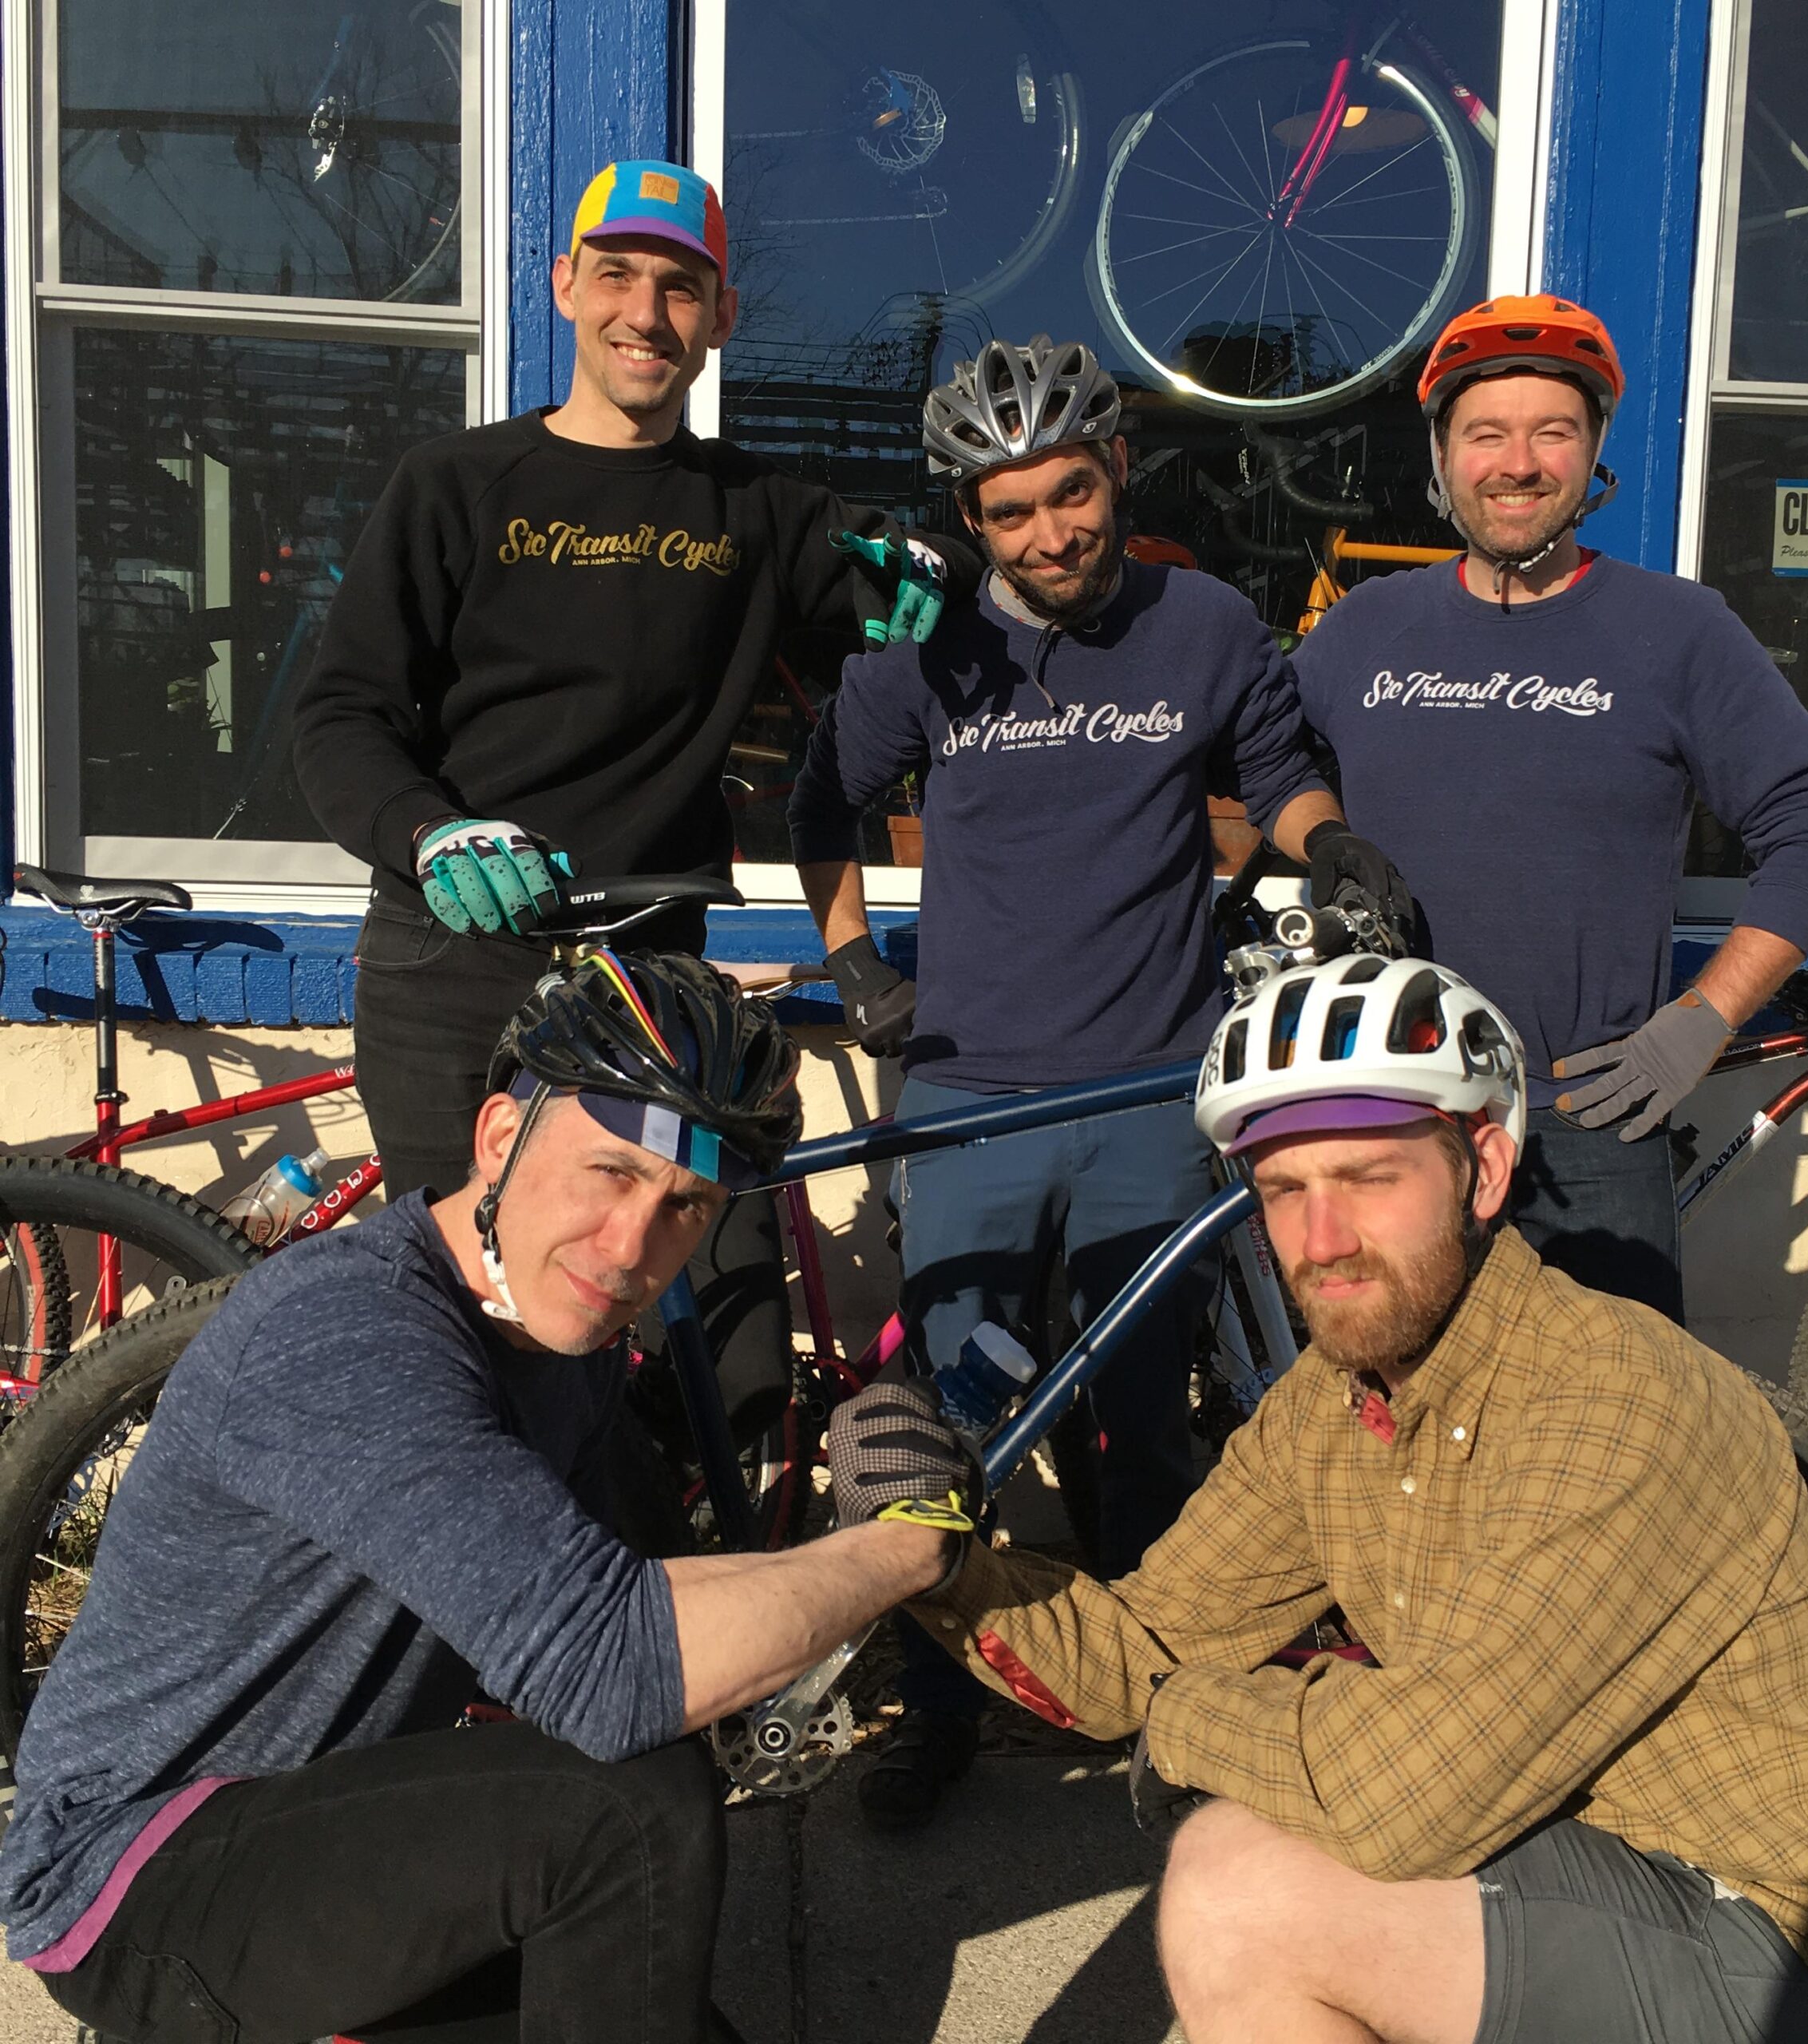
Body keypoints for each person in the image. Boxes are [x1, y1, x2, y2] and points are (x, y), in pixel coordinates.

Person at [829, 949, 1808, 2044]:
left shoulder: (1615, 1396)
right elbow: (1140, 1643)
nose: (1322, 1244)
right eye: (1283, 1191)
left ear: (1487, 1170)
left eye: (1370, 1178)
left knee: (1244, 1890)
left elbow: (1409, 1794)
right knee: (1270, 1836)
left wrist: (1184, 1719)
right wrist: (937, 1559)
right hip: (1572, 1848)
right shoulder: (1331, 1404)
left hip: (1784, 1941)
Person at [0, 952, 971, 2044]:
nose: (630, 1250)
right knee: (628, 1807)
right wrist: (905, 1542)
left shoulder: (562, 1330)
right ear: (501, 1139)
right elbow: (615, 1672)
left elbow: (640, 1574)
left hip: (331, 1823)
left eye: (684, 1206)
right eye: (609, 1172)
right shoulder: (351, 1335)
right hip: (138, 1879)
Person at [786, 332, 1406, 1832]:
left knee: (1144, 1429)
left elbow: (1271, 764)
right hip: (973, 1093)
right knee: (952, 1424)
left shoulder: (1199, 621)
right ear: (968, 516)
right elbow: (821, 802)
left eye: (1072, 493)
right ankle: (931, 1704)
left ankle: (1163, 1710)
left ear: (1116, 470)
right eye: (1011, 510)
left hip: (1150, 1092)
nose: (1052, 533)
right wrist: (859, 960)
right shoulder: (925, 646)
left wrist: (1325, 848)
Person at [292, 158, 978, 1444]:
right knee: (483, 1337)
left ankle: (673, 1608)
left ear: (721, 318)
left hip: (649, 982)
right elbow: (337, 721)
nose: (644, 314)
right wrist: (429, 831)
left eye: (681, 287)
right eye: (617, 276)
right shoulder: (455, 486)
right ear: (564, 286)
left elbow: (909, 607)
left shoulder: (759, 512)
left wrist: (930, 577)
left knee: (730, 1352)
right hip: (453, 971)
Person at [1291, 295, 1808, 1321]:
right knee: (1387, 1444)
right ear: (1440, 454)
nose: (1517, 462)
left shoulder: (1677, 631)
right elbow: (1254, 761)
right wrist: (1319, 835)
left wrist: (1702, 1018)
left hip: (1586, 1118)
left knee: (1610, 1452)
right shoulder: (1364, 631)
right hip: (1383, 1113)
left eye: (1551, 432)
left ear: (1593, 448)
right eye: (1486, 434)